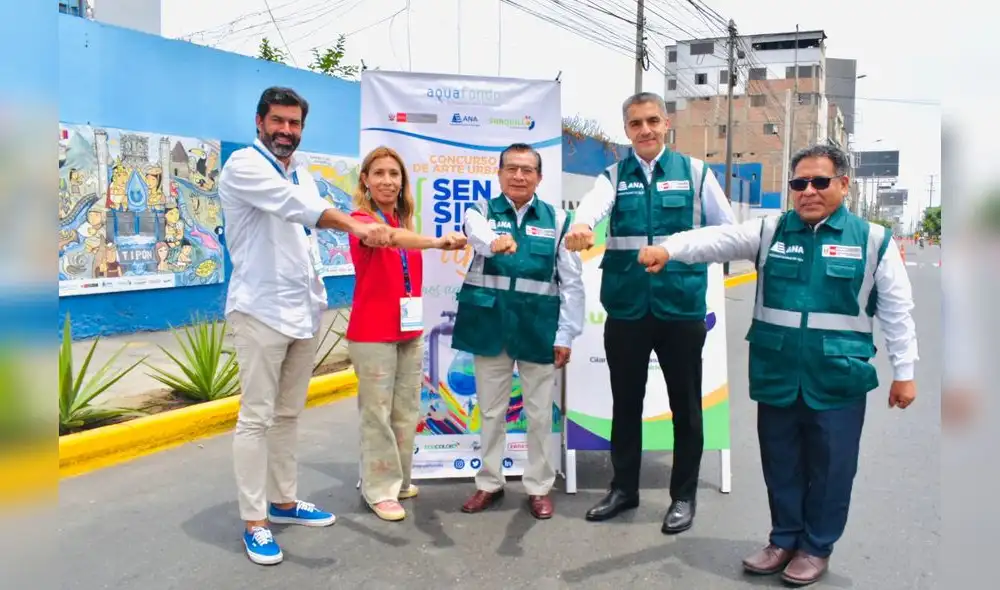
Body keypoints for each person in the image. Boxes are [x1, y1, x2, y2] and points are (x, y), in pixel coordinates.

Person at [638, 144, 919, 586]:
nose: (808, 191)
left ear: (843, 185)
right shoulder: (770, 231)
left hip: (838, 379)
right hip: (778, 373)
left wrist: (905, 373)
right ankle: (784, 538)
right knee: (780, 462)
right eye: (799, 183)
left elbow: (898, 313)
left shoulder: (873, 240)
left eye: (820, 182)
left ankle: (816, 545)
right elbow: (718, 239)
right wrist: (670, 249)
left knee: (831, 468)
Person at [220, 86, 393, 566]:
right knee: (256, 418)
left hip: (301, 311)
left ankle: (284, 501)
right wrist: (358, 227)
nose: (286, 131)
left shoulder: (302, 171)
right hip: (260, 311)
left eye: (294, 124)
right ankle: (255, 521)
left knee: (288, 415)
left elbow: (308, 238)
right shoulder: (245, 167)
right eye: (278, 121)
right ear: (259, 122)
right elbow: (295, 209)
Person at [564, 92, 736, 533]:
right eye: (636, 122)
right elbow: (593, 207)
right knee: (626, 403)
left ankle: (683, 496)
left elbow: (728, 229)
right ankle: (624, 489)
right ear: (626, 129)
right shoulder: (612, 176)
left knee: (686, 406)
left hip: (680, 307)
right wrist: (583, 225)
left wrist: (685, 252)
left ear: (666, 124)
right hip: (627, 307)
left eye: (652, 121)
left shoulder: (696, 174)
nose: (645, 129)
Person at [452, 143, 584, 519]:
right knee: (491, 413)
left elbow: (572, 283)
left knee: (539, 414)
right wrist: (493, 243)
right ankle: (489, 483)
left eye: (527, 170)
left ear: (539, 178)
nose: (519, 176)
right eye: (511, 168)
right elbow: (475, 233)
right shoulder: (481, 213)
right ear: (499, 174)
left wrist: (566, 334)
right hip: (490, 325)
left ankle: (539, 487)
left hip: (538, 329)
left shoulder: (558, 221)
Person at [346, 146, 467, 521]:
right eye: (378, 173)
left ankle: (397, 481)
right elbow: (392, 241)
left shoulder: (401, 220)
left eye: (394, 174)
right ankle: (378, 490)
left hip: (408, 329)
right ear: (365, 179)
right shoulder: (362, 221)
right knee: (376, 413)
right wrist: (436, 242)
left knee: (405, 410)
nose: (387, 180)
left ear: (402, 182)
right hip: (372, 333)